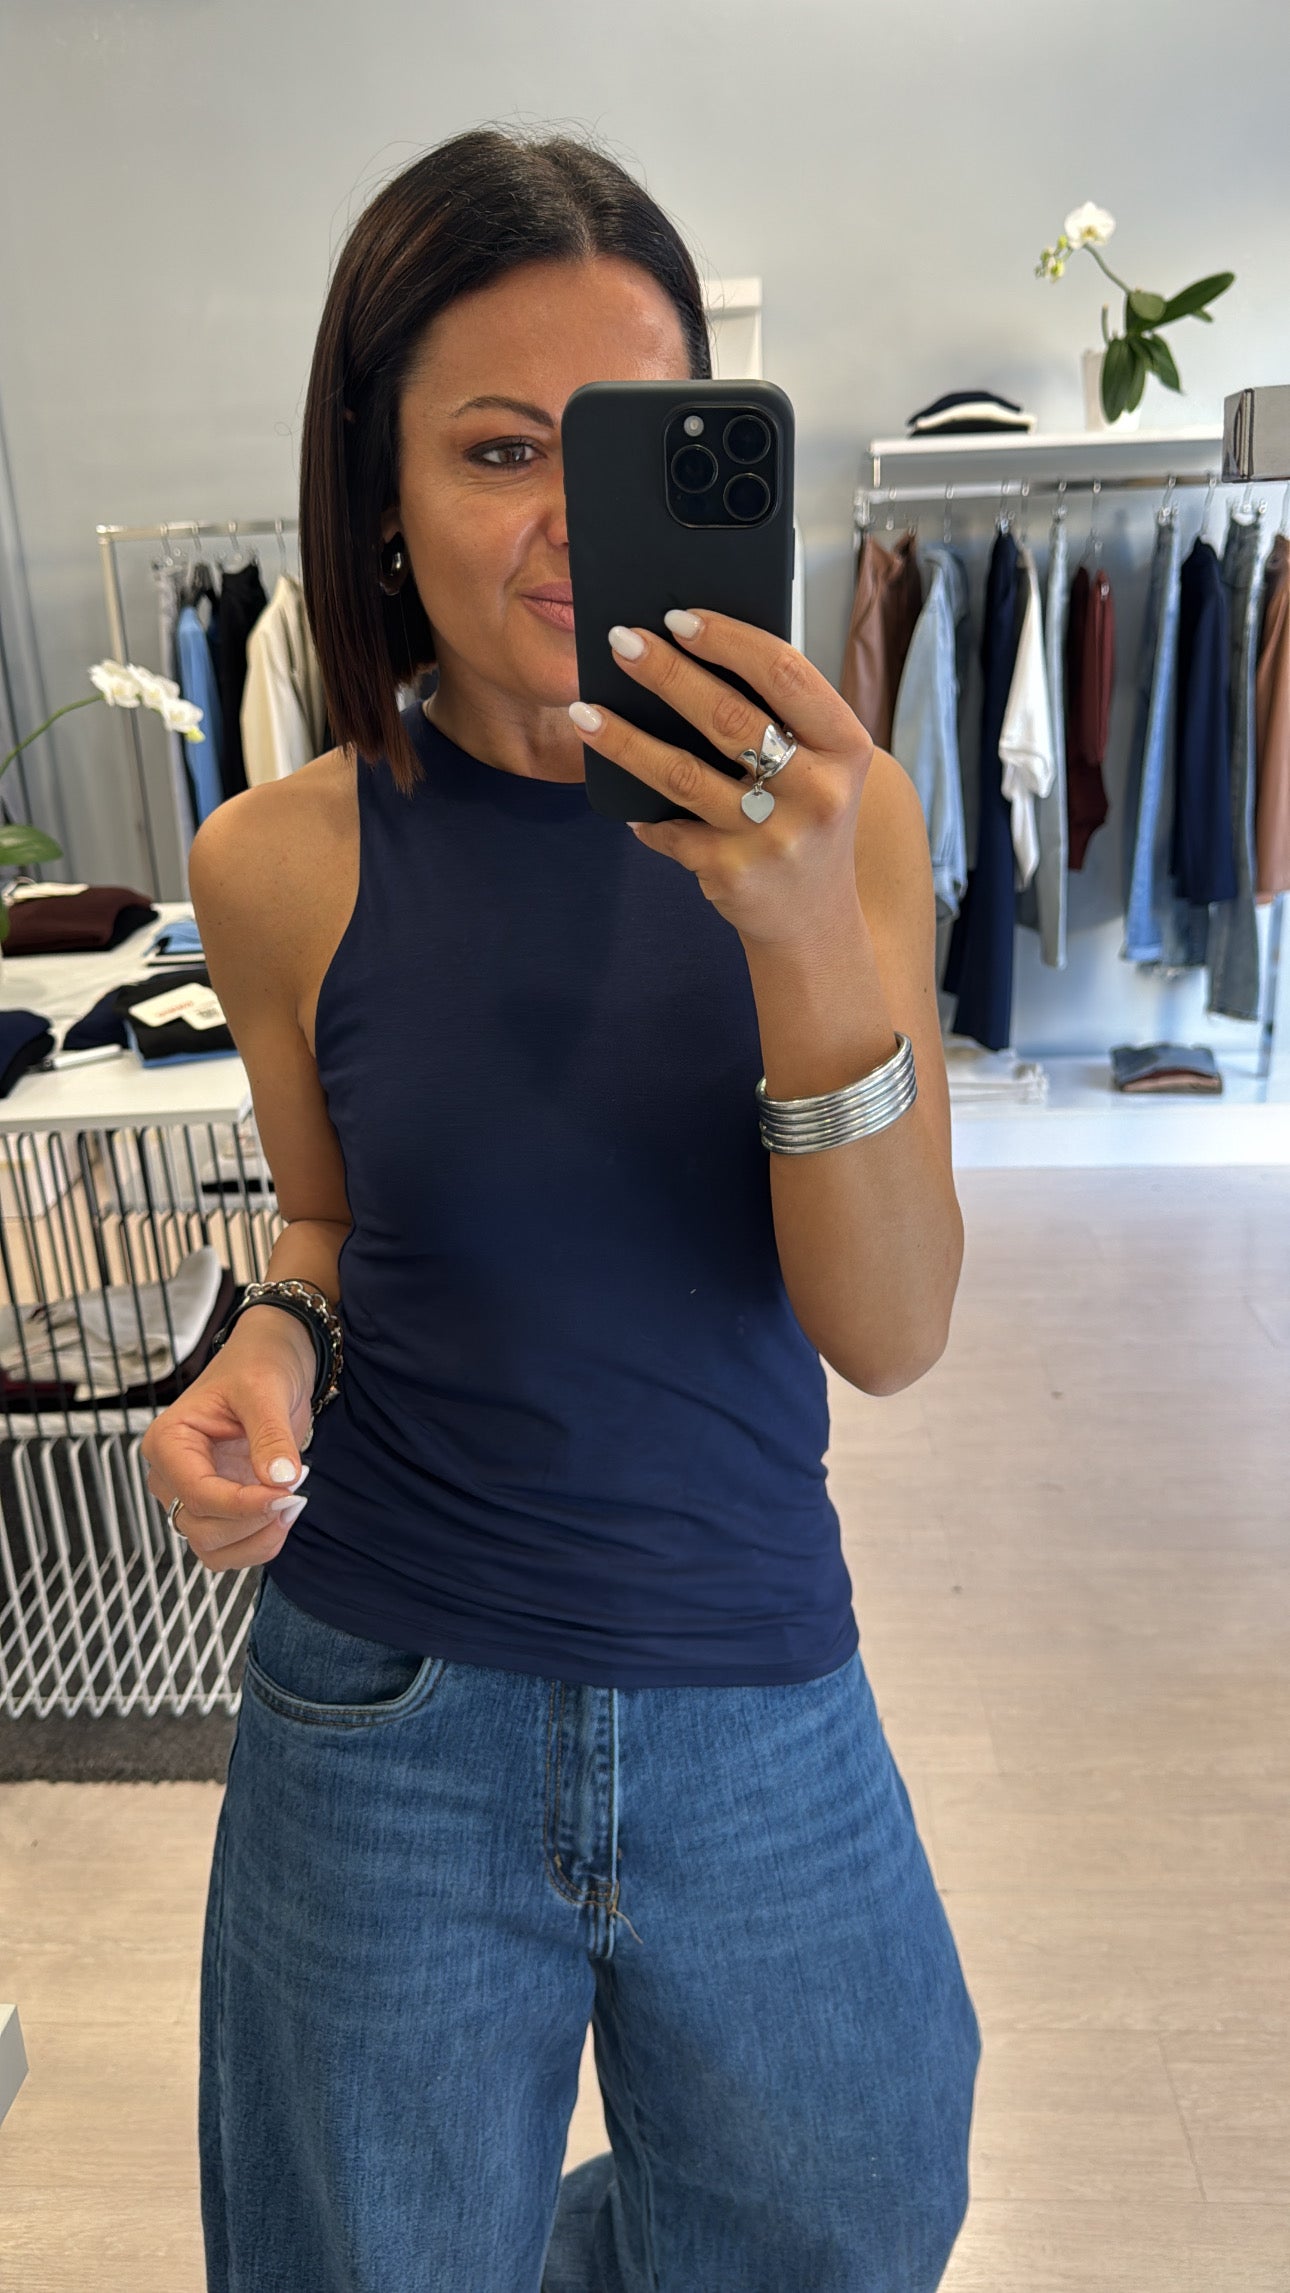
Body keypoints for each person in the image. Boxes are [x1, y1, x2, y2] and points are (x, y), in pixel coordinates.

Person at [141, 124, 981, 2293]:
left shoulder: (852, 823)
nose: (567, 527)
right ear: (379, 491)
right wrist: (267, 1345)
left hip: (751, 1672)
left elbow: (891, 1332)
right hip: (386, 1696)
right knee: (368, 2257)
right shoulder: (276, 862)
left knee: (848, 2213)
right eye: (501, 449)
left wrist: (798, 931)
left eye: (624, 448)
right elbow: (328, 1230)